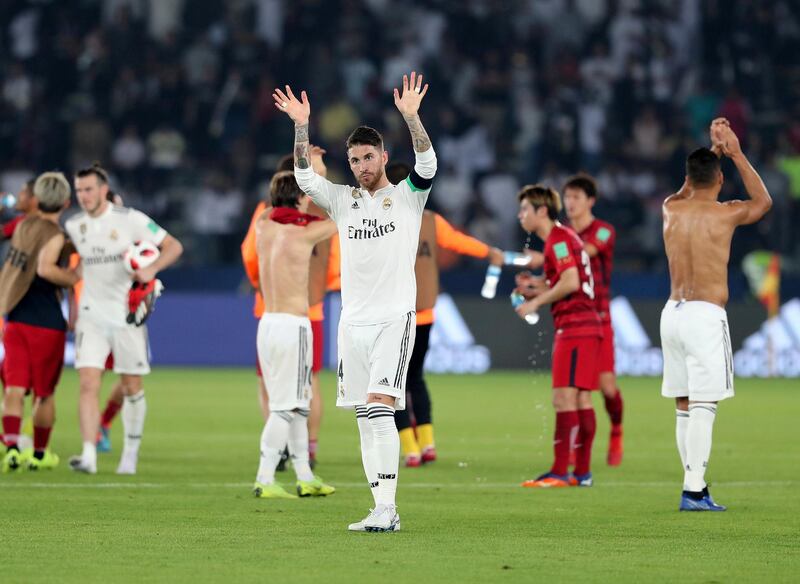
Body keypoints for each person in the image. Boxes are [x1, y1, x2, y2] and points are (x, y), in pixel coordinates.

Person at [275, 71, 437, 532]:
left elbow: (427, 164)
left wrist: (412, 117)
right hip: (353, 324)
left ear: (384, 157)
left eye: (369, 157)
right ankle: (381, 507)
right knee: (366, 417)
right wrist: (301, 127)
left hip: (394, 319)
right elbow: (305, 177)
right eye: (355, 159)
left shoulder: (406, 198)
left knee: (381, 406)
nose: (363, 165)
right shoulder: (343, 201)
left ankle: (388, 509)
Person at [661, 118, 771, 511]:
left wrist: (710, 155)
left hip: (671, 313)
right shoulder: (725, 214)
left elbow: (692, 182)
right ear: (721, 180)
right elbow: (764, 203)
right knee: (705, 405)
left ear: (688, 177)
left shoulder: (671, 208)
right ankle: (693, 491)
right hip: (705, 315)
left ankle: (696, 484)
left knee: (684, 403)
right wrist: (735, 152)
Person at [65, 164, 183, 475]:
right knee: (88, 382)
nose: (84, 196)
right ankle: (89, 454)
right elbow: (78, 268)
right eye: (78, 190)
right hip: (90, 315)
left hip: (126, 316)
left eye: (88, 189)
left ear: (104, 190)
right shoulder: (75, 226)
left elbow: (174, 246)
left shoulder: (130, 219)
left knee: (131, 385)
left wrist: (151, 269)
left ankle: (129, 454)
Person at [385, 161, 503, 467]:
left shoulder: (383, 220)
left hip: (395, 314)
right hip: (424, 314)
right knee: (416, 379)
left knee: (394, 384)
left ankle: (410, 449)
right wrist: (490, 252)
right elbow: (460, 243)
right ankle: (428, 444)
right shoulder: (430, 220)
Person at [241, 150, 331, 470]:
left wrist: (261, 281)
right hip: (302, 316)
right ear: (300, 197)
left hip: (267, 314)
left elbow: (249, 255)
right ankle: (290, 460)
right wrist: (317, 169)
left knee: (271, 387)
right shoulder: (309, 228)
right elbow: (342, 223)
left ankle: (298, 468)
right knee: (303, 395)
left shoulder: (264, 221)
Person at [514, 185, 602, 488]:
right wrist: (535, 286)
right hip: (586, 325)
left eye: (525, 209)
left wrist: (535, 302)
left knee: (563, 397)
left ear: (541, 211)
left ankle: (560, 471)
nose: (520, 215)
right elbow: (562, 280)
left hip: (576, 327)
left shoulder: (558, 241)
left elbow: (571, 281)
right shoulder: (561, 239)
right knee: (580, 398)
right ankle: (581, 472)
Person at [0, 172, 78, 472]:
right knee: (44, 394)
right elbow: (46, 270)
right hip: (46, 322)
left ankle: (11, 448)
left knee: (14, 389)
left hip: (17, 315)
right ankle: (40, 453)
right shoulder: (56, 235)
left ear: (35, 198)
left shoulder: (22, 226)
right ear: (66, 202)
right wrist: (73, 277)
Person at [562, 173, 624, 465]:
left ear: (590, 201)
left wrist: (553, 251)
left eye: (576, 197)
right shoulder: (561, 234)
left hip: (600, 319)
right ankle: (578, 451)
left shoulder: (603, 231)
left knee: (607, 388)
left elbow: (586, 253)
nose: (570, 203)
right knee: (574, 390)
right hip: (573, 321)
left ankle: (616, 429)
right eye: (567, 197)